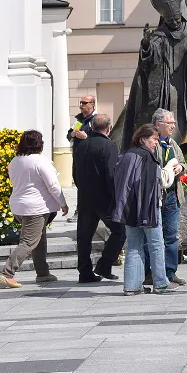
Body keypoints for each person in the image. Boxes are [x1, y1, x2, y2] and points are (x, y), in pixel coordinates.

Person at [0, 131, 68, 289]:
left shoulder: (15, 161)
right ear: (39, 144)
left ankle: (43, 273)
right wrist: (63, 203)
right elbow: (53, 185)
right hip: (35, 208)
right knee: (29, 242)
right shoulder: (40, 161)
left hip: (19, 206)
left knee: (39, 239)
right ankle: (7, 273)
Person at [112, 124, 171, 296]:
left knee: (133, 246)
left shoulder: (126, 155)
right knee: (156, 244)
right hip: (148, 208)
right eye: (154, 139)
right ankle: (161, 283)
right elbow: (152, 185)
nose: (156, 143)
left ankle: (132, 286)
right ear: (143, 139)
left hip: (128, 208)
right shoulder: (147, 157)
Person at [72, 113, 124, 283]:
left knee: (84, 237)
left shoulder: (80, 145)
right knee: (119, 231)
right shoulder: (109, 146)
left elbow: (75, 173)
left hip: (85, 197)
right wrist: (115, 197)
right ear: (108, 128)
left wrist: (82, 188)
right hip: (104, 198)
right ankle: (104, 264)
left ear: (92, 127)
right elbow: (111, 174)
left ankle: (85, 272)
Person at [151, 109, 187, 287]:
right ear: (159, 125)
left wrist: (181, 167)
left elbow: (182, 162)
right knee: (153, 236)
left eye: (173, 122)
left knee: (171, 236)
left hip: (172, 195)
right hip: (156, 196)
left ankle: (170, 272)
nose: (173, 125)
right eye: (169, 122)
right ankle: (151, 273)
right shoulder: (153, 143)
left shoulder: (173, 144)